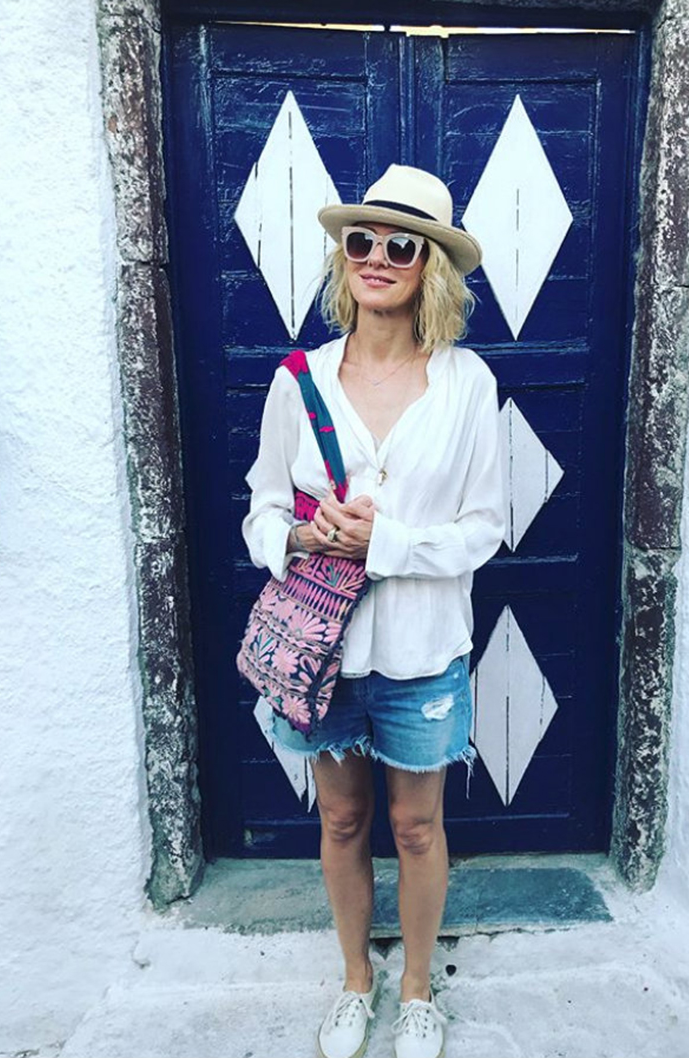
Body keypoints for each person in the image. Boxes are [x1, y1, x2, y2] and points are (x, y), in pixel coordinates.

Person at [242, 164, 505, 1058]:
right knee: (343, 821)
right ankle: (357, 980)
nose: (378, 257)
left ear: (431, 266)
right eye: (363, 241)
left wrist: (384, 546)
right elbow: (261, 509)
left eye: (403, 245)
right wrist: (303, 538)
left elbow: (485, 527)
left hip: (424, 651)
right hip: (321, 654)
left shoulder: (467, 384)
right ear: (342, 256)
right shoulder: (300, 380)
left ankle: (419, 987)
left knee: (417, 826)